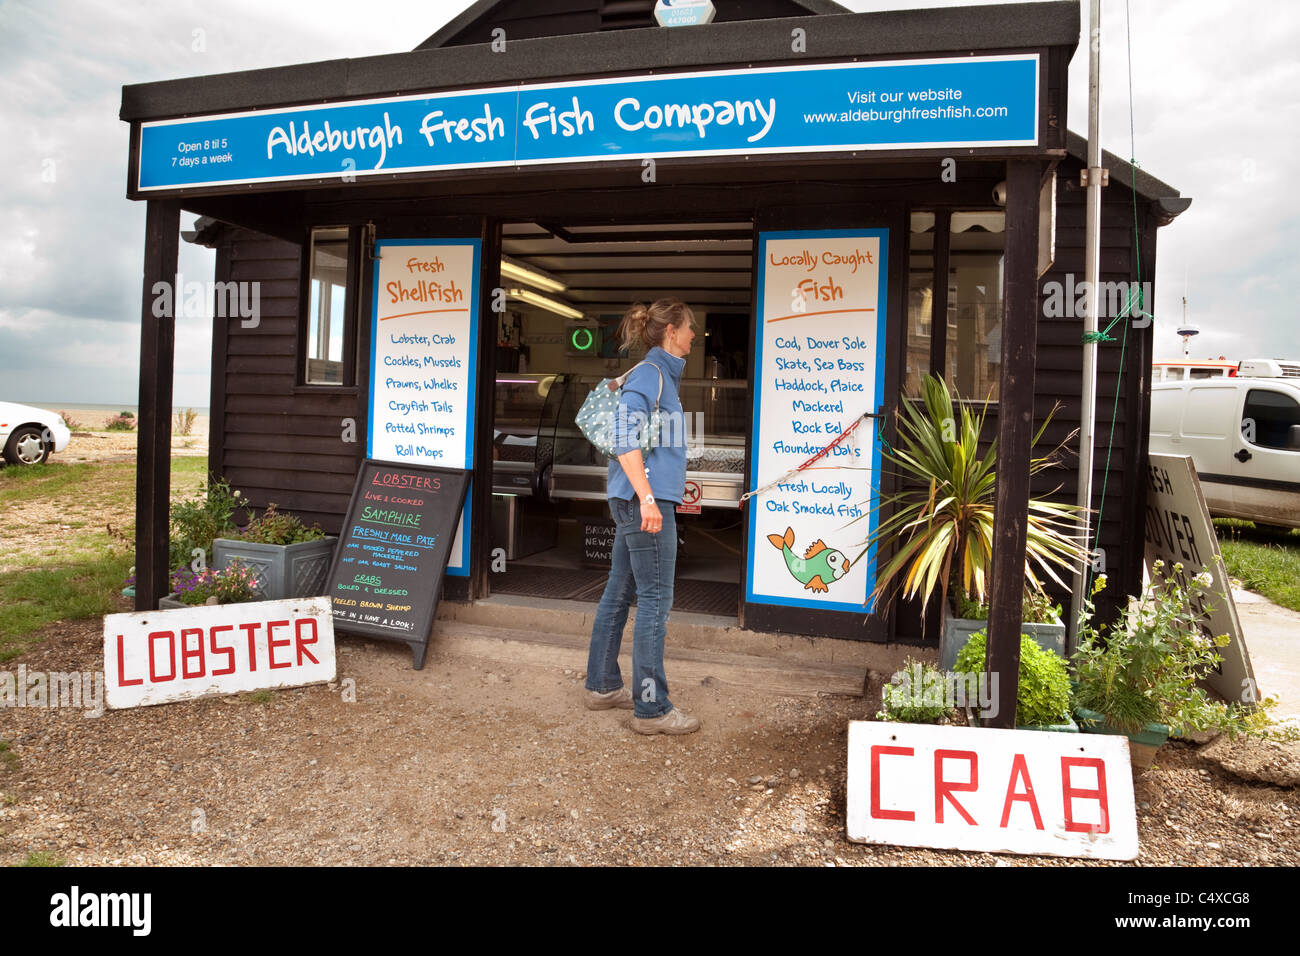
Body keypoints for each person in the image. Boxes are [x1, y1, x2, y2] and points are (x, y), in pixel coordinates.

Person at [584, 297, 700, 734]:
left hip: (635, 499)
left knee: (620, 589)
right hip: (643, 504)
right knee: (655, 600)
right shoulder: (651, 374)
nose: (694, 334)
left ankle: (602, 686)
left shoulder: (656, 374)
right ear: (672, 331)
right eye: (689, 327)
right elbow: (623, 437)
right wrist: (649, 499)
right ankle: (652, 710)